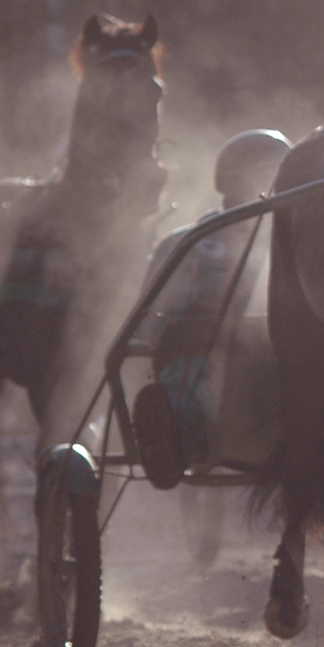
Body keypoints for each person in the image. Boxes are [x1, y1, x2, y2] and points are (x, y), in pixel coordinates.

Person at [132, 129, 292, 486]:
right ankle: (172, 432)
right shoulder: (191, 245)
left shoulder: (185, 243)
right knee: (192, 389)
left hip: (244, 383)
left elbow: (148, 330)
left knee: (188, 391)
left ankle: (175, 430)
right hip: (268, 389)